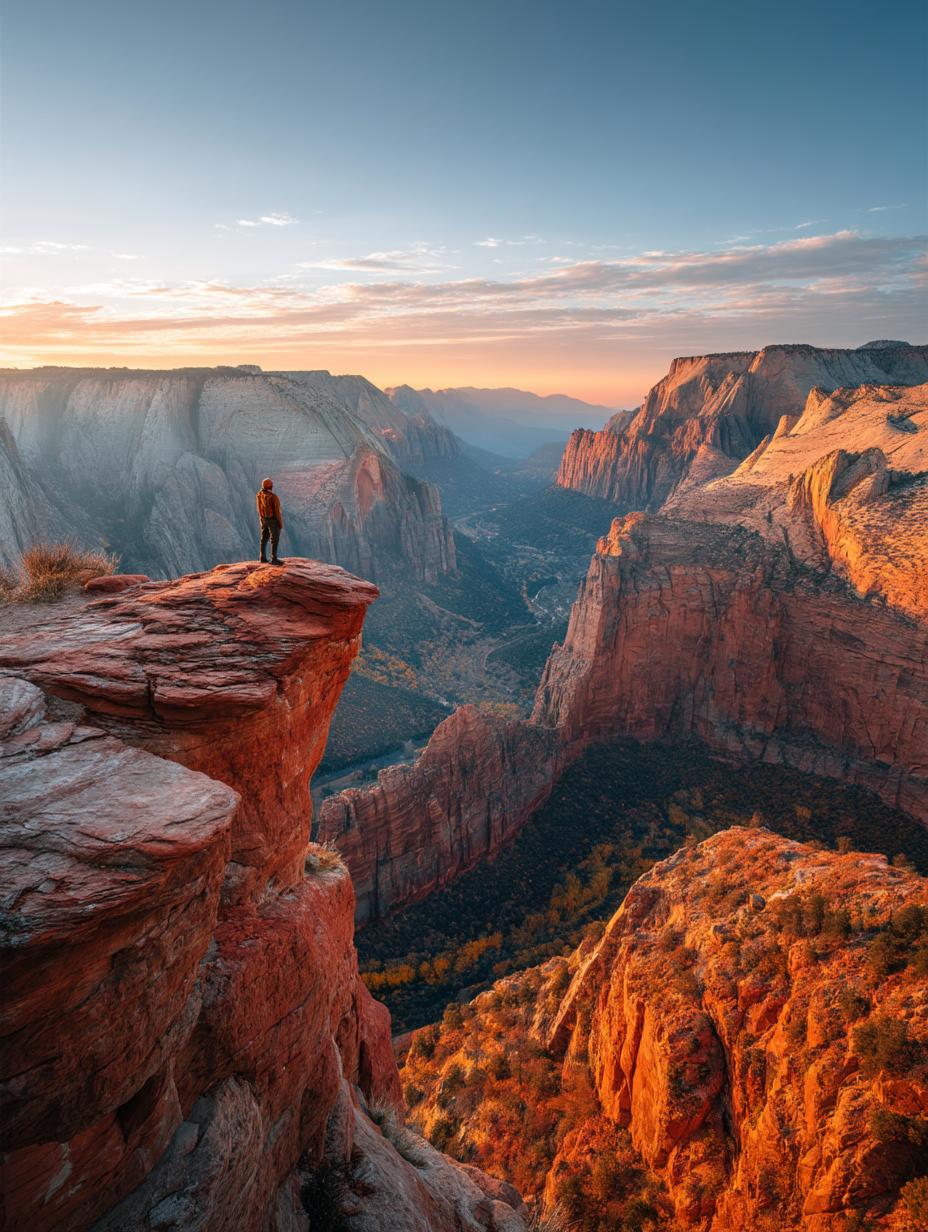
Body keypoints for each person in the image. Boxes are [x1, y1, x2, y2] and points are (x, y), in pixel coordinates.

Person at [256, 478, 285, 565]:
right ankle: (274, 558)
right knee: (274, 539)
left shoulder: (259, 494)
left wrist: (261, 518)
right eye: (271, 483)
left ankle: (262, 557)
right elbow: (277, 511)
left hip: (264, 519)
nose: (272, 485)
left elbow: (259, 508)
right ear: (268, 485)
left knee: (264, 539)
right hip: (272, 520)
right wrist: (280, 522)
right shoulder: (273, 497)